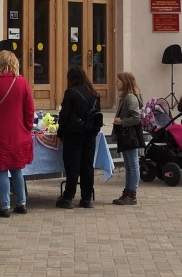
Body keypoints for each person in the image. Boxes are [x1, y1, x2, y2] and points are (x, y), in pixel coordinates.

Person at [0, 51, 34, 218]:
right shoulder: (22, 83)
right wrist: (27, 127)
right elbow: (29, 110)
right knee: (17, 169)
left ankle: (5, 206)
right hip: (18, 133)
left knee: (0, 169)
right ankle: (21, 203)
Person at [55, 66, 102, 209]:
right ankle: (87, 198)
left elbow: (64, 115)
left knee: (72, 166)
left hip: (73, 134)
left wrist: (60, 133)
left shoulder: (71, 93)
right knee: (87, 165)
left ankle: (68, 197)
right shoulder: (94, 94)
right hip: (90, 133)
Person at [110, 71, 145, 207]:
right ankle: (127, 191)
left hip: (130, 135)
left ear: (125, 82)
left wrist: (122, 121)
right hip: (124, 135)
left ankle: (132, 193)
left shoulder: (130, 98)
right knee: (128, 165)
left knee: (133, 164)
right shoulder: (125, 97)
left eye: (118, 81)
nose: (116, 83)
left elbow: (136, 117)